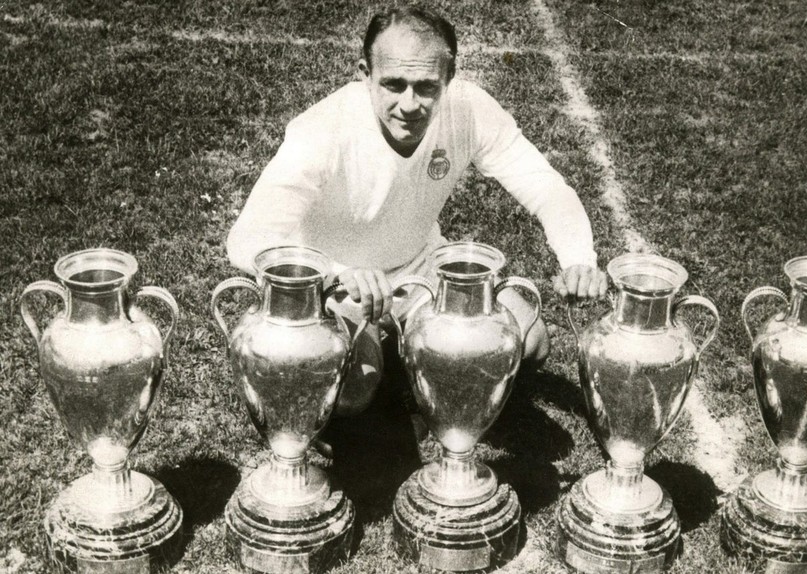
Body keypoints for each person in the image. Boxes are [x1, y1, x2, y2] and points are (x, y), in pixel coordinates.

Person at [227, 6, 607, 415]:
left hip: (420, 270)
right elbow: (247, 240)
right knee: (354, 392)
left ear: (449, 77)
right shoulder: (320, 131)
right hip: (337, 286)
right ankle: (396, 357)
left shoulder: (469, 109)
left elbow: (546, 187)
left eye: (426, 87)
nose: (409, 104)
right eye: (394, 84)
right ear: (364, 74)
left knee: (529, 342)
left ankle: (410, 355)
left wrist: (578, 260)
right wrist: (337, 274)